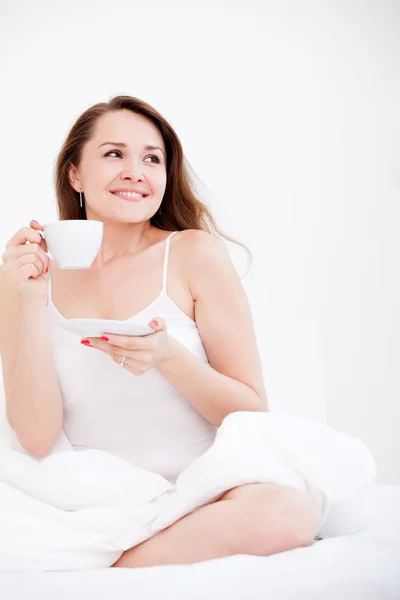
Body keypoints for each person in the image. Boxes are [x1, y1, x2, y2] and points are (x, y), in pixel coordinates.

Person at [0, 95, 319, 567]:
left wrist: (169, 358)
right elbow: (36, 438)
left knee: (287, 514)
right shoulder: (29, 272)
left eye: (152, 158)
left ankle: (113, 567)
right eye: (114, 154)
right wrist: (25, 299)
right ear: (74, 174)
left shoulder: (194, 254)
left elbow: (251, 410)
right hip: (86, 493)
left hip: (199, 492)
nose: (136, 171)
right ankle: (126, 552)